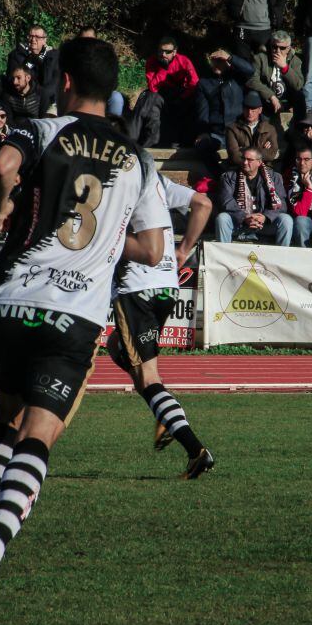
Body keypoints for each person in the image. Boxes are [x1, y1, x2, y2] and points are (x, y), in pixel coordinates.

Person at [0, 36, 169, 625]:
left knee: (4, 420)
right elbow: (153, 248)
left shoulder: (43, 129)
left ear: (64, 80)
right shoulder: (139, 159)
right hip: (76, 315)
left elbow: (1, 166)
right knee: (39, 437)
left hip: (14, 299)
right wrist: (103, 241)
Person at [108, 169, 214, 474]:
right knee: (118, 346)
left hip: (136, 287)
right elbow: (203, 204)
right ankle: (165, 411)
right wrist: (184, 249)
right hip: (167, 285)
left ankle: (196, 450)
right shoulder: (155, 179)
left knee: (148, 378)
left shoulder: (111, 180)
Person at [129, 37, 199, 147]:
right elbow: (153, 88)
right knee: (149, 99)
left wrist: (183, 97)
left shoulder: (184, 61)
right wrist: (163, 69)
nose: (163, 55)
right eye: (161, 51)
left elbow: (194, 83)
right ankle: (137, 140)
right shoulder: (152, 61)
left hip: (181, 94)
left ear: (175, 52)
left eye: (168, 52)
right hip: (159, 93)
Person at [216, 146, 292, 244]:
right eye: (243, 158)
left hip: (264, 224)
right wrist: (245, 217)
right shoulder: (229, 177)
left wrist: (265, 217)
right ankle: (222, 256)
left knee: (286, 220)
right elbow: (226, 202)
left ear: (259, 162)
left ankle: (282, 256)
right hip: (239, 223)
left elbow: (281, 203)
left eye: (250, 160)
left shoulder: (274, 177)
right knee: (222, 218)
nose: (245, 162)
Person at [193, 49, 254, 152]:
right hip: (217, 134)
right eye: (213, 60)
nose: (216, 63)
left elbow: (250, 70)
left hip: (238, 132)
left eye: (220, 60)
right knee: (202, 146)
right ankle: (216, 169)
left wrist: (231, 57)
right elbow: (203, 112)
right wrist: (204, 132)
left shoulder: (237, 77)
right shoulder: (204, 82)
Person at [246, 30, 305, 117]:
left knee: (300, 96)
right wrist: (271, 96)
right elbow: (252, 80)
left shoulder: (295, 61)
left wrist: (285, 67)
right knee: (252, 94)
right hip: (266, 100)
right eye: (274, 47)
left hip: (287, 100)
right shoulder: (260, 58)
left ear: (288, 49)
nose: (277, 51)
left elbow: (298, 85)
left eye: (282, 48)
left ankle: (300, 127)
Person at [5, 25, 59, 109]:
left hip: (46, 100)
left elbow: (50, 80)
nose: (33, 40)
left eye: (37, 37)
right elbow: (11, 79)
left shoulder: (52, 56)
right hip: (22, 99)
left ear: (44, 40)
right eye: (31, 36)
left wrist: (36, 60)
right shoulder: (17, 55)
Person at [225, 92, 279, 168]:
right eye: (247, 108)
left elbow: (271, 154)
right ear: (243, 109)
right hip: (240, 167)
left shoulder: (270, 129)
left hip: (264, 167)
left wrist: (243, 150)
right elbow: (235, 156)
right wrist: (261, 149)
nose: (249, 112)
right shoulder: (232, 129)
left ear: (260, 110)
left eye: (253, 109)